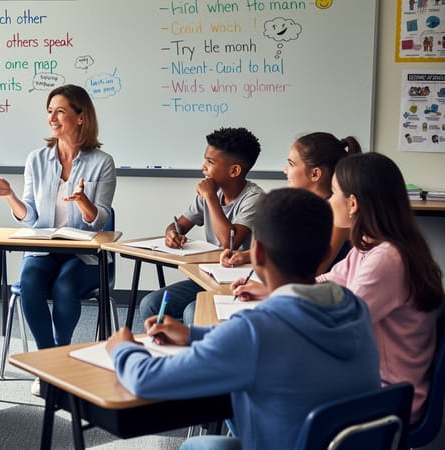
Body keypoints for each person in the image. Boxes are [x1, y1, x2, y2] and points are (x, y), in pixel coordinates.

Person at [107, 188, 381, 450]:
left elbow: (148, 380)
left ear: (257, 253)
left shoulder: (256, 331)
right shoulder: (354, 308)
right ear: (325, 255)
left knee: (196, 445)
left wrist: (123, 348)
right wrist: (193, 335)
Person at [234, 152, 444, 422]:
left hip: (388, 395)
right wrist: (273, 291)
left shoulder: (387, 259)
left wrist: (276, 312)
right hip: (369, 382)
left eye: (333, 193)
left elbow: (340, 323)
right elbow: (328, 283)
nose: (330, 201)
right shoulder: (370, 246)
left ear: (353, 203)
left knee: (260, 387)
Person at [0, 84, 116, 356]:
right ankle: (47, 362)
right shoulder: (36, 159)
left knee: (65, 286)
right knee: (29, 285)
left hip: (84, 257)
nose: (51, 118)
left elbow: (99, 221)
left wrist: (83, 201)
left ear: (80, 117)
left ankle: (57, 358)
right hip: (42, 251)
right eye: (49, 111)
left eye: (60, 111)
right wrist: (10, 196)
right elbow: (31, 217)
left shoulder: (103, 162)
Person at [140, 127, 263, 323]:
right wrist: (172, 233)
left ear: (234, 170)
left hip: (242, 282)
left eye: (210, 162)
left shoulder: (254, 198)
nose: (203, 167)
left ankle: (196, 347)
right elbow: (178, 225)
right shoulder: (212, 194)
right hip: (211, 276)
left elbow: (228, 242)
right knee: (150, 304)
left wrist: (210, 196)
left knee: (192, 311)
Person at [221, 132, 361, 274]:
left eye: (291, 164)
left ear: (315, 174)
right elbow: (286, 251)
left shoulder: (337, 214)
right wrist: (243, 256)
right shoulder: (304, 207)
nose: (285, 170)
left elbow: (313, 271)